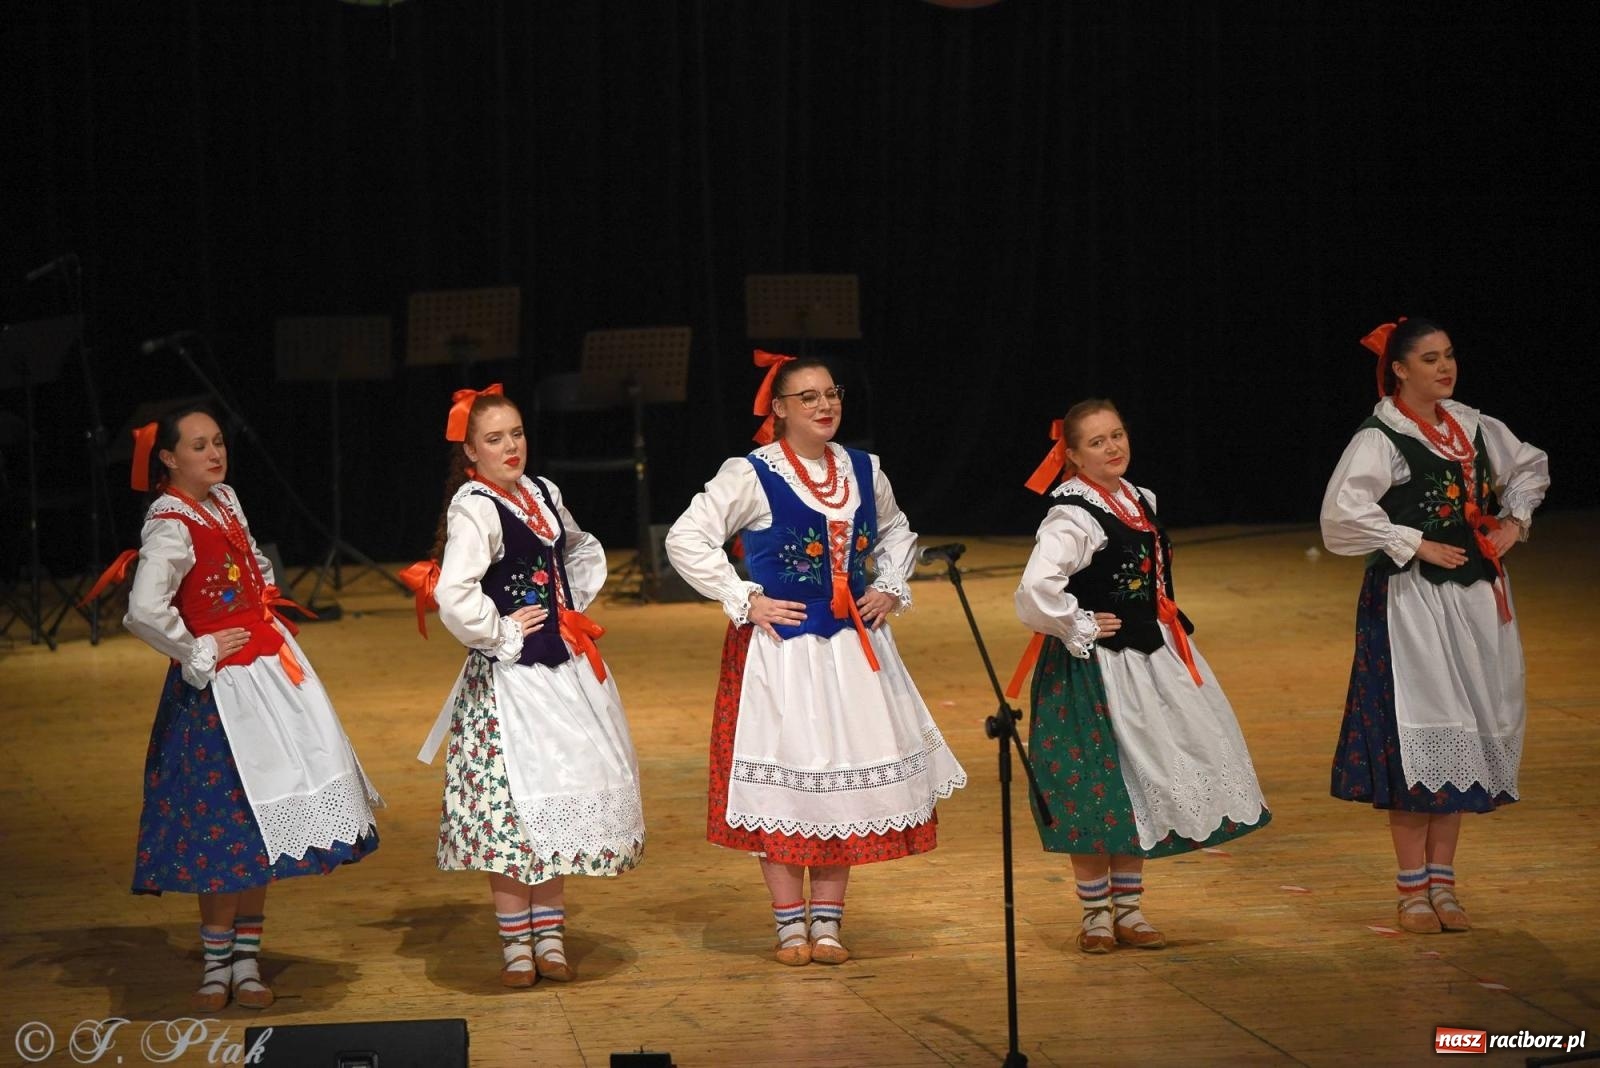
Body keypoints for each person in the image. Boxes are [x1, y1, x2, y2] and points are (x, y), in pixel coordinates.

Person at [664, 350, 966, 967]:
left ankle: (827, 926)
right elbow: (686, 537)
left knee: (839, 786)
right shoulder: (751, 474)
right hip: (783, 656)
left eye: (832, 394)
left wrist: (889, 584)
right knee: (790, 786)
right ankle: (787, 928)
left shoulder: (863, 469)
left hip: (853, 651)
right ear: (779, 410)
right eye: (809, 397)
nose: (825, 406)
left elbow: (897, 529)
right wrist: (745, 598)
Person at [83, 403, 382, 1011]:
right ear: (168, 459)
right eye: (198, 446)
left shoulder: (225, 501)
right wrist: (199, 648)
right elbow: (143, 609)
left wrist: (260, 603)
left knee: (261, 826)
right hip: (219, 696)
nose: (214, 454)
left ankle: (247, 962)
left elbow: (253, 569)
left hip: (266, 672)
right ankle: (217, 965)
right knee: (226, 829)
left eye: (218, 442)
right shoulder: (169, 522)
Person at [404, 384, 645, 988]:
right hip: (510, 683)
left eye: (516, 434)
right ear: (471, 452)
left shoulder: (541, 493)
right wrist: (502, 631)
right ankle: (517, 946)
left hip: (561, 669)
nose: (510, 447)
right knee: (513, 812)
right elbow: (454, 591)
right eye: (495, 439)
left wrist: (566, 605)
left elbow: (578, 550)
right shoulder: (476, 506)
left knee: (559, 795)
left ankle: (551, 938)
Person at [1010, 400, 1269, 953]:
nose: (1113, 448)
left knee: (1141, 780)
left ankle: (1129, 908)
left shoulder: (1139, 500)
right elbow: (1035, 589)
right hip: (1096, 668)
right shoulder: (1073, 515)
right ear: (1073, 456)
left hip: (1152, 659)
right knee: (1095, 785)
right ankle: (1095, 917)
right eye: (1098, 442)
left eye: (1118, 435)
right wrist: (1078, 622)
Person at [1321, 317, 1548, 933]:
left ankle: (1444, 885)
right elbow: (1341, 517)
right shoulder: (1382, 436)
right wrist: (1412, 542)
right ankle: (1410, 891)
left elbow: (1529, 467)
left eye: (1448, 356)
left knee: (1465, 735)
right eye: (1428, 359)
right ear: (1399, 369)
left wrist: (1514, 524)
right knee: (1418, 741)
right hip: (1412, 607)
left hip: (1476, 599)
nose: (1444, 368)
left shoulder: (1470, 425)